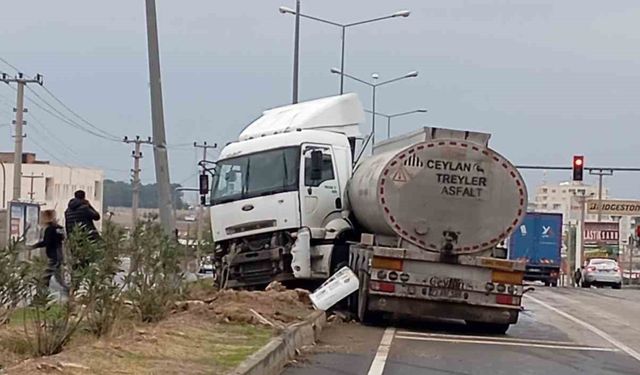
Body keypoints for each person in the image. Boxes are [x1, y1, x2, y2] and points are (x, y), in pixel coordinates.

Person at [31, 209, 69, 295]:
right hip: (59, 255)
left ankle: (40, 297)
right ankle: (70, 292)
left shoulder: (49, 229)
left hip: (53, 257)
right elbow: (62, 239)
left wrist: (32, 246)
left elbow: (46, 242)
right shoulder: (60, 228)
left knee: (44, 278)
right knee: (60, 280)